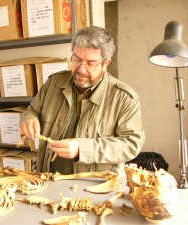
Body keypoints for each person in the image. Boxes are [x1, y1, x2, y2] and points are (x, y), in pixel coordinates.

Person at [19, 26, 145, 174]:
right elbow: (32, 110)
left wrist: (82, 148)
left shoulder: (124, 98)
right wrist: (28, 119)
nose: (81, 69)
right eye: (76, 60)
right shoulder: (54, 83)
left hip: (94, 188)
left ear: (105, 64)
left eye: (91, 63)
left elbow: (131, 144)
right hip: (48, 179)